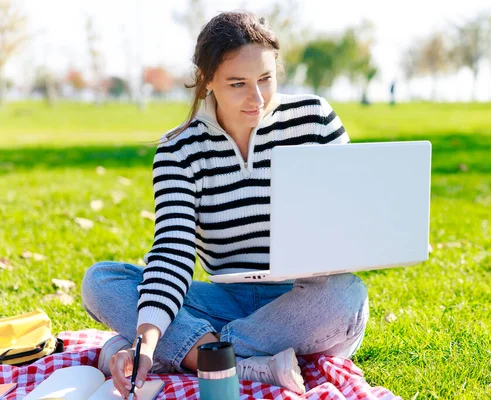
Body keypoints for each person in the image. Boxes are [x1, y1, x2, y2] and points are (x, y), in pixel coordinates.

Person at [81, 10, 369, 397]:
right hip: (223, 299)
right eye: (238, 84)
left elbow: (352, 215)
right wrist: (148, 339)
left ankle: (198, 353)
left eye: (265, 79)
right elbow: (173, 249)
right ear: (207, 81)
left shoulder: (315, 120)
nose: (257, 98)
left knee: (346, 297)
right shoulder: (179, 148)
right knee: (102, 282)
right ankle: (244, 363)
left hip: (302, 301)